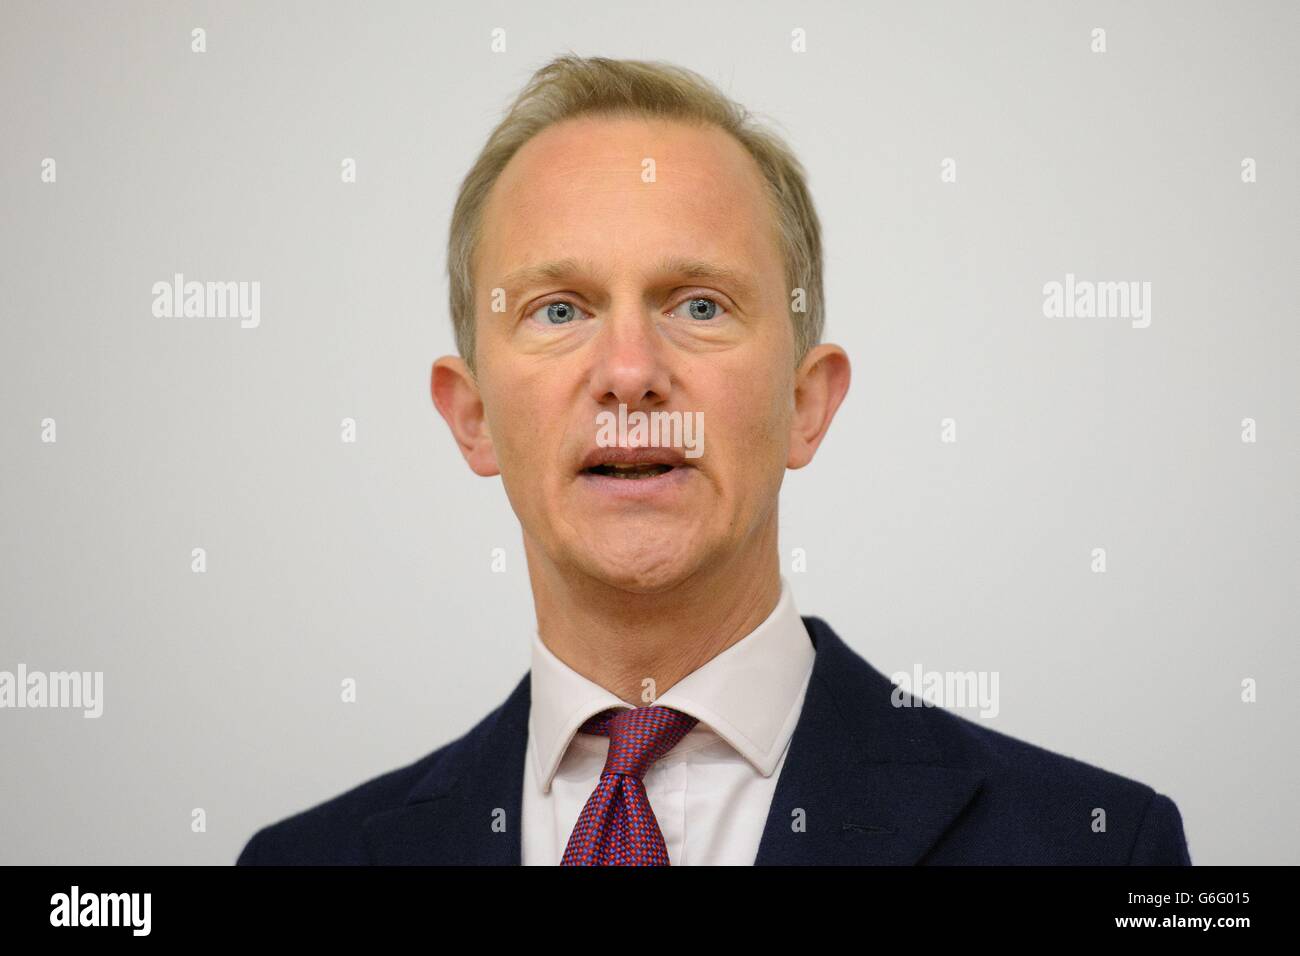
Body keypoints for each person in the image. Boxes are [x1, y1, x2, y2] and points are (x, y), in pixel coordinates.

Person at [236, 54, 1191, 866]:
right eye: (558, 309)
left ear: (804, 404)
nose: (629, 373)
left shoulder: (1098, 848)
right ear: (474, 415)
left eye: (698, 305)